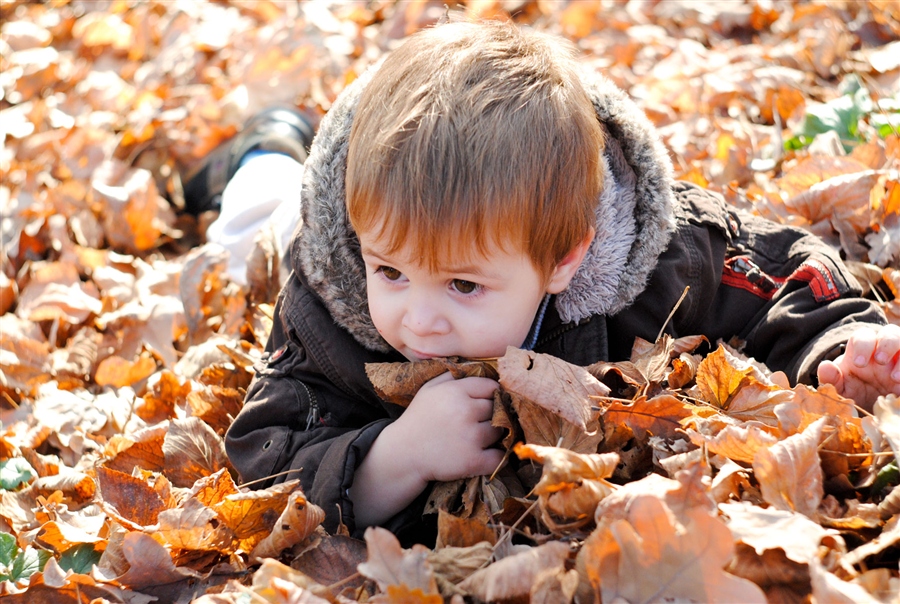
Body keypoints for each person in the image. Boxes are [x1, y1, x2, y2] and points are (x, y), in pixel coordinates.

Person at [209, 21, 897, 546]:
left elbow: (783, 279)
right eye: (390, 271)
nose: (418, 319)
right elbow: (263, 458)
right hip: (291, 222)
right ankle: (267, 145)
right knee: (249, 230)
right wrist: (394, 457)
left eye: (464, 286)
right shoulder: (332, 288)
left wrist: (840, 351)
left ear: (565, 261)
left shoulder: (656, 260)